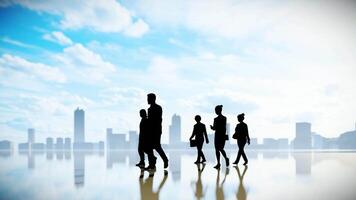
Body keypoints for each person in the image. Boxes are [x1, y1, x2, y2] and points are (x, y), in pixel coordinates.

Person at [146, 93, 169, 169]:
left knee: (157, 147)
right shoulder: (149, 109)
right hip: (150, 131)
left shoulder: (158, 108)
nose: (147, 100)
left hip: (156, 130)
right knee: (150, 147)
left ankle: (164, 159)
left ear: (153, 99)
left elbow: (158, 120)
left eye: (148, 98)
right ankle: (152, 164)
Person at [210, 105, 229, 169]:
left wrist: (212, 128)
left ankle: (219, 162)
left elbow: (215, 128)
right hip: (222, 135)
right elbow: (224, 127)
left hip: (218, 135)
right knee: (220, 149)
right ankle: (223, 160)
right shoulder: (224, 118)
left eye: (216, 110)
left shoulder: (216, 119)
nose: (215, 111)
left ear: (218, 110)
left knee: (218, 149)